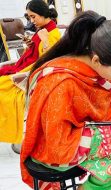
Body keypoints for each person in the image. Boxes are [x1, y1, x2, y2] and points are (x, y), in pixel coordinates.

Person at [20, 10, 111, 190]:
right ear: (96, 60)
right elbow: (57, 145)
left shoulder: (98, 66)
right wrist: (110, 134)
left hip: (77, 137)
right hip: (52, 150)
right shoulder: (60, 84)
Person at [0, 0, 60, 146]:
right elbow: (34, 55)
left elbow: (50, 62)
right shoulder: (42, 30)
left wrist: (45, 41)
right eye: (29, 17)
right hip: (23, 68)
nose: (32, 21)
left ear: (44, 14)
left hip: (31, 75)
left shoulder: (53, 33)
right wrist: (30, 46)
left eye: (34, 17)